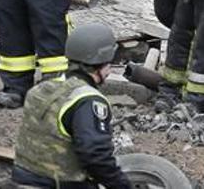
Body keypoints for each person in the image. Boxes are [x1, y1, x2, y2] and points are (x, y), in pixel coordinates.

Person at [12, 23, 134, 189]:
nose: (110, 70)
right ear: (101, 63)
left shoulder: (41, 89)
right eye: (109, 64)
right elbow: (96, 157)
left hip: (21, 180)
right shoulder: (88, 101)